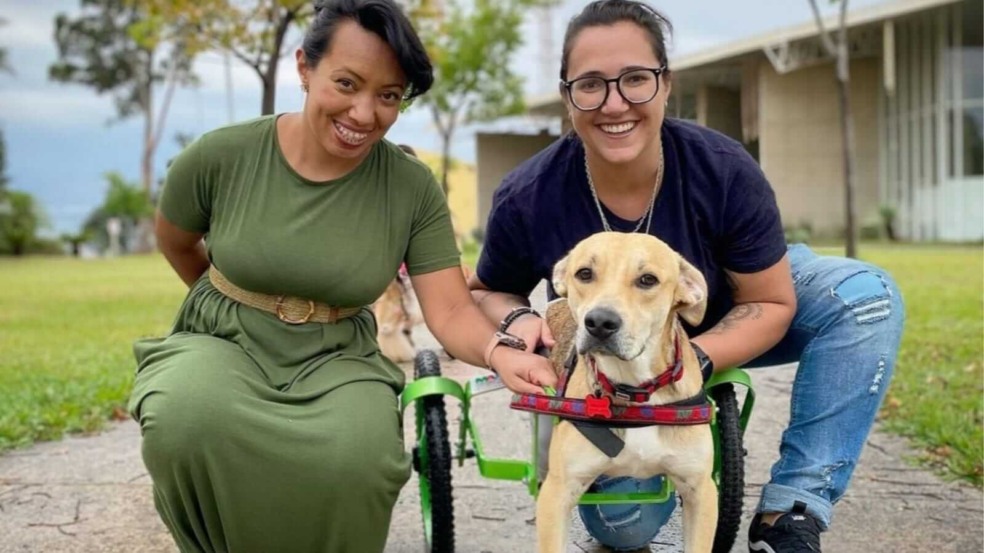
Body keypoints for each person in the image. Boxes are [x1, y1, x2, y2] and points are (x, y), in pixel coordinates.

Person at [469, 1, 905, 551]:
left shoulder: (722, 168)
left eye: (635, 79)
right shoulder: (528, 194)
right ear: (567, 96)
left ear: (666, 84)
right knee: (626, 530)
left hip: (731, 300)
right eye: (590, 85)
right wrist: (518, 318)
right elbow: (488, 288)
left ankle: (791, 512)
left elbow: (770, 300)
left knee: (866, 297)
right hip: (609, 357)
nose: (614, 103)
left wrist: (689, 363)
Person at [128, 1, 556, 552]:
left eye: (388, 96)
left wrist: (503, 353)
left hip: (337, 356)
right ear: (305, 68)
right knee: (185, 420)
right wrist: (228, 299)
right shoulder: (222, 155)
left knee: (359, 459)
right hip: (224, 341)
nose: (363, 113)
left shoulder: (410, 187)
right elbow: (176, 238)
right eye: (347, 83)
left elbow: (448, 310)